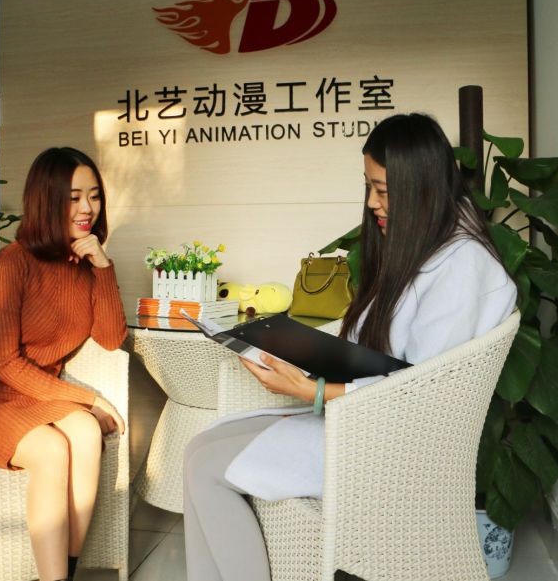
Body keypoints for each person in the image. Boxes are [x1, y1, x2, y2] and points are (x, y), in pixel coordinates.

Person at [182, 113, 517, 581]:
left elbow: (421, 393)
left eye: (384, 190)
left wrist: (315, 391)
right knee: (198, 447)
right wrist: (292, 350)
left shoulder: (464, 267)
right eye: (369, 186)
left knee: (207, 467)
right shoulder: (427, 247)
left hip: (388, 448)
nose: (373, 203)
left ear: (421, 188)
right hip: (362, 422)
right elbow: (379, 352)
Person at [0, 147, 128, 581]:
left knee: (86, 431)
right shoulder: (12, 263)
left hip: (31, 393)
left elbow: (111, 337)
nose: (87, 208)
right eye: (73, 197)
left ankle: (66, 572)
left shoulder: (85, 265)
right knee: (52, 448)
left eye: (94, 196)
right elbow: (5, 364)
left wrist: (103, 267)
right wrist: (89, 398)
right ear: (46, 199)